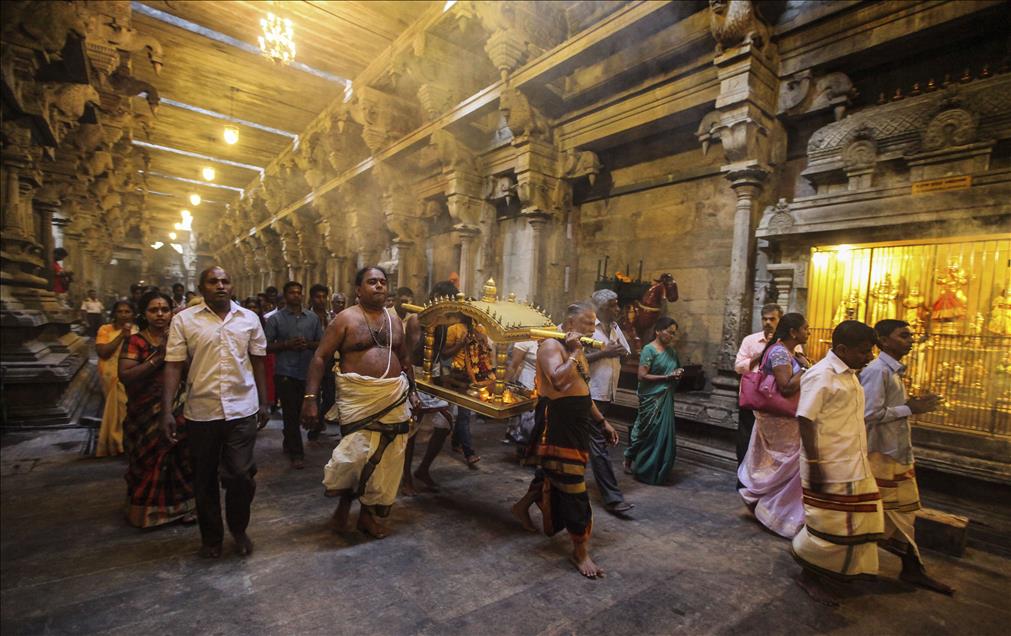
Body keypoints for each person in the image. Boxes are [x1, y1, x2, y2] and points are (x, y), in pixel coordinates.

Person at [300, 266, 417, 539]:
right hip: (360, 398)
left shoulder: (394, 320)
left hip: (394, 396)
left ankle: (367, 516)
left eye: (383, 282)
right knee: (356, 457)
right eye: (372, 282)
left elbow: (405, 359)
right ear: (358, 289)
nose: (379, 287)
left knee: (389, 459)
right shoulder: (345, 320)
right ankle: (344, 503)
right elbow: (320, 358)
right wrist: (310, 399)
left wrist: (413, 391)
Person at [161, 266, 269, 559]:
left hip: (242, 408)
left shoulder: (248, 319)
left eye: (225, 280)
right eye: (213, 281)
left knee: (240, 475)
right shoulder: (184, 320)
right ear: (201, 287)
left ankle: (238, 527)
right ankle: (211, 538)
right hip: (202, 410)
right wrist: (167, 410)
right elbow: (173, 365)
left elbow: (258, 361)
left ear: (231, 285)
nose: (220, 286)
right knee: (204, 478)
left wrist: (264, 401)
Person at [512, 302, 615, 579]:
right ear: (570, 324)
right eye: (586, 323)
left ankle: (521, 507)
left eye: (594, 323)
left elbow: (582, 388)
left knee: (553, 474)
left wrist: (601, 421)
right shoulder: (551, 346)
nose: (592, 329)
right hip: (559, 424)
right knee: (573, 486)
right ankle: (580, 551)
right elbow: (558, 380)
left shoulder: (574, 349)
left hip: (579, 422)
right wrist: (575, 352)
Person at [792, 320, 882, 606]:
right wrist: (816, 463)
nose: (869, 357)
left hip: (852, 461)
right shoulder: (822, 374)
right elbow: (805, 419)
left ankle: (833, 571)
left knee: (850, 523)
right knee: (824, 524)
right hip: (827, 463)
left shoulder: (850, 373)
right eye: (864, 351)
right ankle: (809, 575)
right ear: (842, 349)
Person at [862, 319, 952, 594]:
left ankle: (912, 569)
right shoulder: (878, 371)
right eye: (903, 335)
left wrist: (910, 407)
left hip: (895, 454)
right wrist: (909, 409)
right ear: (884, 340)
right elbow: (869, 414)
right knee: (890, 515)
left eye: (910, 335)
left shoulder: (893, 371)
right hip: (881, 455)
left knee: (902, 515)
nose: (910, 340)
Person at [118, 291, 195, 528]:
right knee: (149, 456)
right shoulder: (135, 341)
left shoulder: (178, 337)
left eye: (164, 309)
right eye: (154, 310)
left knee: (180, 455)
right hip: (145, 411)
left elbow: (189, 371)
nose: (160, 314)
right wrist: (158, 358)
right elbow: (126, 375)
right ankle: (148, 511)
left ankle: (184, 507)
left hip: (175, 405)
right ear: (144, 313)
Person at [737, 312, 811, 539]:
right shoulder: (779, 352)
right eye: (805, 328)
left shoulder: (788, 352)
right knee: (786, 464)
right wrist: (809, 370)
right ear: (793, 332)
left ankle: (765, 505)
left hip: (784, 418)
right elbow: (786, 387)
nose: (808, 332)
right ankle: (768, 507)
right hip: (780, 419)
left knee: (783, 465)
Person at [400, 282, 456, 494]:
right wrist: (430, 325)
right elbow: (416, 355)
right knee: (411, 430)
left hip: (433, 377)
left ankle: (423, 469)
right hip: (413, 376)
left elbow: (439, 356)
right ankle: (406, 478)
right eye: (446, 301)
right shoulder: (417, 319)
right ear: (436, 297)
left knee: (445, 424)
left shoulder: (443, 322)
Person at [584, 289, 633, 515]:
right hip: (591, 393)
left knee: (588, 442)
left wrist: (617, 351)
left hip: (607, 392)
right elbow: (577, 359)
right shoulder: (588, 327)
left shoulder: (613, 328)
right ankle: (612, 498)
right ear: (602, 307)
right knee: (598, 445)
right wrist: (605, 353)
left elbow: (626, 351)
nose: (618, 309)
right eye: (613, 305)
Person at [265, 282, 323, 469]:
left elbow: (320, 344)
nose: (296, 296)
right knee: (290, 413)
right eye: (292, 293)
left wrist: (307, 344)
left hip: (307, 372)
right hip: (285, 372)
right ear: (285, 295)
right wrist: (286, 345)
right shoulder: (276, 319)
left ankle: (289, 439)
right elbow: (266, 346)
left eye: (299, 293)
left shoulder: (312, 318)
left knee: (301, 412)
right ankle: (297, 453)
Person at [624, 316, 682, 485]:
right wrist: (667, 377)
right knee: (645, 429)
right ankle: (632, 458)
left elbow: (676, 368)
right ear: (658, 331)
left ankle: (657, 468)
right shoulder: (649, 350)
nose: (672, 336)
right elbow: (642, 375)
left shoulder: (672, 352)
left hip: (665, 396)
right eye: (669, 332)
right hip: (651, 397)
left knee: (661, 434)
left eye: (674, 333)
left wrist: (678, 373)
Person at [734, 304, 785, 470]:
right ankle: (743, 473)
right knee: (746, 436)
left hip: (774, 399)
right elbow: (739, 367)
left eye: (772, 319)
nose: (768, 322)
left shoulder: (787, 342)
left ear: (780, 320)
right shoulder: (750, 340)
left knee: (770, 439)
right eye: (765, 319)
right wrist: (762, 353)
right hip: (751, 397)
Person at [94, 301, 138, 457]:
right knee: (117, 410)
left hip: (131, 375)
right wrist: (121, 336)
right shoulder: (105, 330)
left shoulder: (138, 330)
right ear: (114, 314)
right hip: (111, 375)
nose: (124, 314)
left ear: (133, 314)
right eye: (120, 311)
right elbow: (103, 352)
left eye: (127, 311)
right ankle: (117, 443)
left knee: (127, 409)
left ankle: (125, 442)